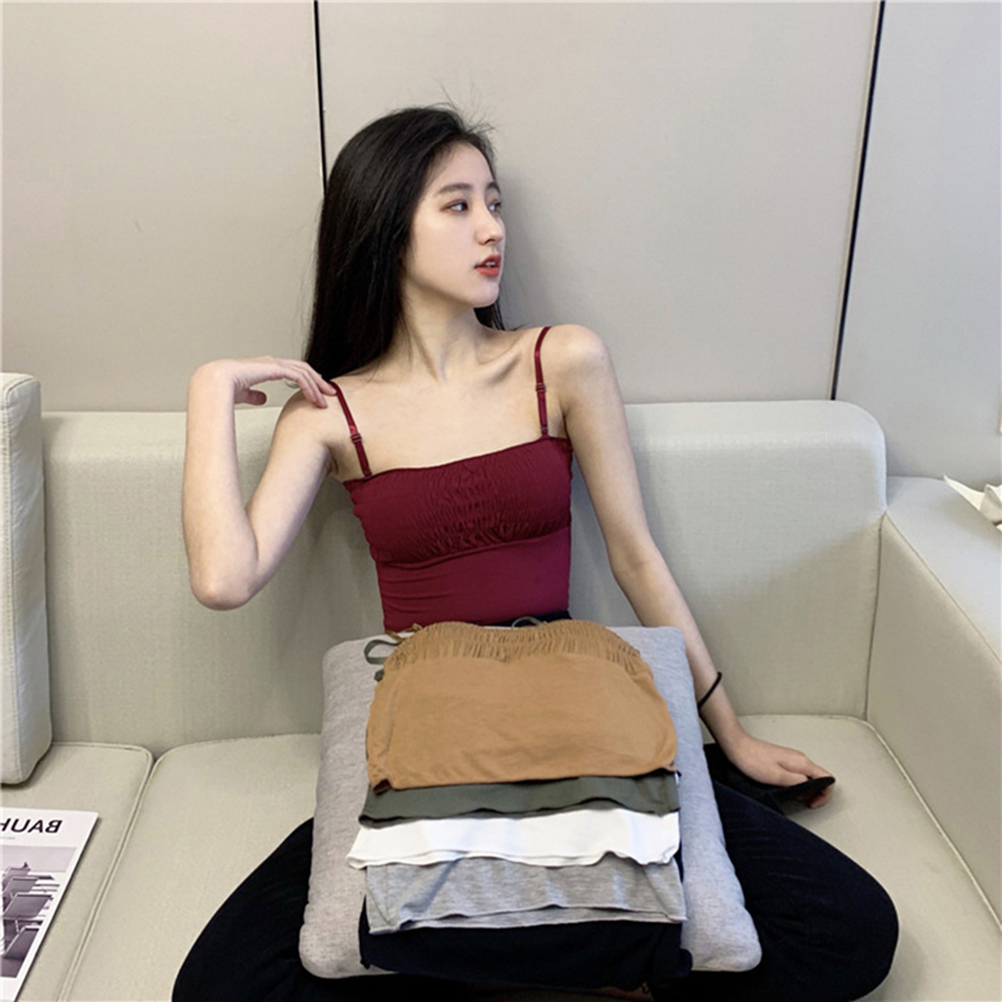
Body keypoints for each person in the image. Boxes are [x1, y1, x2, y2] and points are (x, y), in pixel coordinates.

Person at [177, 106, 897, 1001]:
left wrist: (732, 735)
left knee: (850, 931)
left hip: (573, 702)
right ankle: (587, 963)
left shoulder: (562, 359)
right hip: (424, 722)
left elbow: (636, 557)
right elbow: (223, 579)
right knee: (222, 988)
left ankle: (510, 957)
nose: (492, 229)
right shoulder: (330, 412)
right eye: (457, 206)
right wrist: (208, 390)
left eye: (495, 203)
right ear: (385, 227)